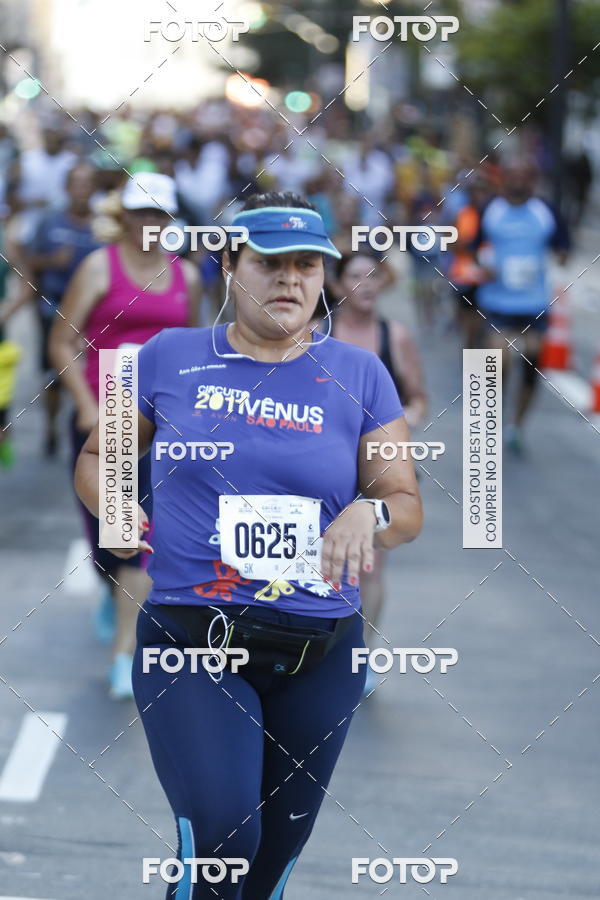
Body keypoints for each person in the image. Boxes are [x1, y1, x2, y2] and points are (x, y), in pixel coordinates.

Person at [73, 191, 423, 897]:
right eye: (270, 263)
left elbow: (404, 503)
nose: (291, 279)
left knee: (268, 867)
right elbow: (95, 459)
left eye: (307, 265)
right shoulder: (165, 357)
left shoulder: (359, 374)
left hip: (319, 648)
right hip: (192, 635)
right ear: (229, 264)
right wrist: (118, 508)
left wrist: (368, 516)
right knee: (226, 835)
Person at [50, 172, 201, 698]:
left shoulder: (187, 275)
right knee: (107, 537)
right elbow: (62, 340)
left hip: (163, 423)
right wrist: (87, 405)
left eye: (159, 214)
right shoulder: (98, 266)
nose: (150, 223)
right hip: (106, 419)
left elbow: (193, 347)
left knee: (143, 535)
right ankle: (110, 584)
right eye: (141, 213)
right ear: (125, 215)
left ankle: (126, 656)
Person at [327, 250, 427, 693]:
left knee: (371, 565)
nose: (365, 284)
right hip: (326, 464)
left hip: (379, 465)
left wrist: (397, 418)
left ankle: (361, 653)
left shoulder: (394, 335)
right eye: (355, 276)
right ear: (336, 283)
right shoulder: (318, 333)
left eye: (373, 276)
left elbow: (419, 397)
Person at [476, 160, 570, 454]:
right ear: (504, 180)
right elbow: (469, 246)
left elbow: (563, 246)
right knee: (498, 361)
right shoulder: (491, 209)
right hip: (497, 300)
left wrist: (560, 257)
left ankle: (516, 425)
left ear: (533, 180)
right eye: (512, 175)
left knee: (532, 362)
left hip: (534, 302)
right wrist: (484, 264)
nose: (518, 182)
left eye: (524, 176)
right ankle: (495, 415)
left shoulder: (546, 212)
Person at [28, 163, 99, 455]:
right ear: (67, 187)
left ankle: (94, 424)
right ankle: (51, 427)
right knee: (54, 375)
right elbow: (27, 260)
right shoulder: (50, 221)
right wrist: (51, 262)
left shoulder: (105, 225)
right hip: (54, 309)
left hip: (94, 313)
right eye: (76, 183)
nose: (81, 190)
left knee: (93, 371)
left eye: (86, 184)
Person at [447, 175, 491, 349]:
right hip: (465, 278)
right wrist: (465, 245)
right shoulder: (463, 215)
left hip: (487, 278)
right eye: (475, 191)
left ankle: (483, 373)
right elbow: (451, 243)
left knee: (484, 330)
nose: (479, 195)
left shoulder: (493, 214)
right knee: (471, 329)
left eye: (483, 190)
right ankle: (473, 372)